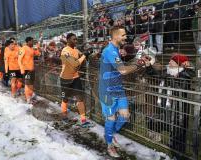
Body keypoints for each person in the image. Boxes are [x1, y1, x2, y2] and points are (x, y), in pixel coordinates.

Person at [98, 26, 146, 157]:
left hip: (118, 89)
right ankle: (109, 145)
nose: (126, 37)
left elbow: (118, 66)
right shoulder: (109, 51)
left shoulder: (116, 50)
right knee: (111, 118)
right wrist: (139, 64)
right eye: (123, 35)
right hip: (107, 91)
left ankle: (110, 134)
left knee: (125, 116)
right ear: (115, 36)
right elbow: (123, 70)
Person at [59, 33, 92, 127]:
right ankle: (64, 116)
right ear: (68, 40)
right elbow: (74, 64)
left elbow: (83, 56)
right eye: (74, 39)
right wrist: (84, 55)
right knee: (65, 99)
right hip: (66, 78)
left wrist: (89, 52)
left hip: (76, 78)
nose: (76, 41)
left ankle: (83, 120)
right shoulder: (65, 51)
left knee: (80, 99)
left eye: (76, 39)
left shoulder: (76, 50)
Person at [18, 37, 41, 103]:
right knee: (27, 84)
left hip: (31, 69)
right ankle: (28, 99)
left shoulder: (32, 48)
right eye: (31, 41)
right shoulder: (23, 48)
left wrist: (37, 48)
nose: (32, 42)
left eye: (33, 41)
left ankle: (30, 97)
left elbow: (38, 54)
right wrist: (22, 69)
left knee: (31, 84)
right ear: (27, 42)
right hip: (26, 70)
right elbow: (19, 60)